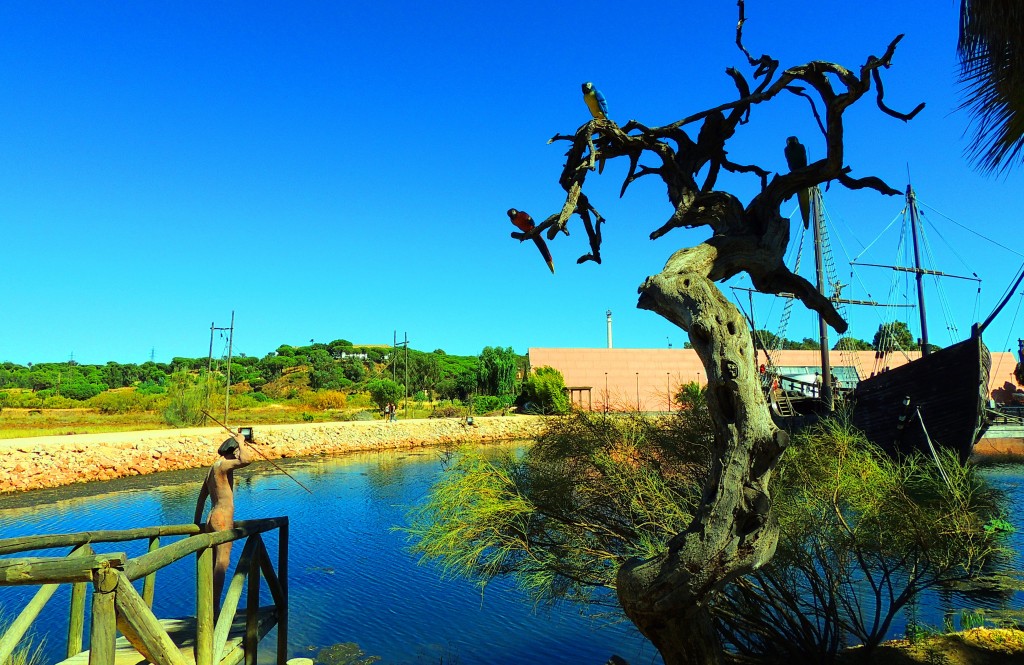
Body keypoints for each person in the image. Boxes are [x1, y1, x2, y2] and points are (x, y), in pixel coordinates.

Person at [194, 430, 252, 618]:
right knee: (222, 562)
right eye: (236, 451)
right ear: (232, 451)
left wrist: (197, 525)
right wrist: (242, 442)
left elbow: (201, 499)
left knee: (212, 564)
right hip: (222, 517)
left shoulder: (212, 469)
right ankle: (215, 608)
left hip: (211, 517)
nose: (237, 454)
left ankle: (208, 605)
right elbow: (246, 460)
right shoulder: (222, 466)